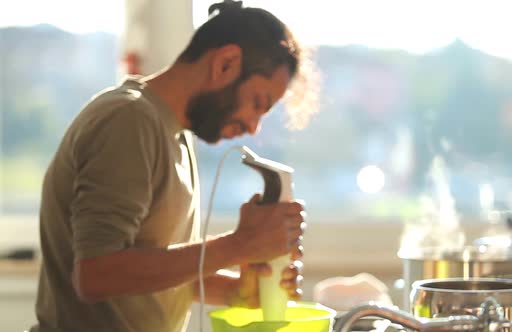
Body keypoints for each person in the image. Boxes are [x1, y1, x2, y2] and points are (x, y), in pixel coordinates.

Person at [30, 2, 314, 331]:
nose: (253, 127)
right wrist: (239, 245)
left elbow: (149, 273)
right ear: (226, 63)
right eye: (258, 104)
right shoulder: (128, 120)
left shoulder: (172, 132)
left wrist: (238, 290)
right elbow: (97, 274)